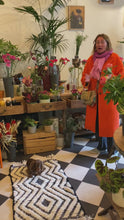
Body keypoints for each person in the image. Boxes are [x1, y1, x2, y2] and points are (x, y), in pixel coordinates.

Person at [81, 33, 124, 157]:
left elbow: (121, 74)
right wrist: (88, 79)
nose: (99, 44)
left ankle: (112, 148)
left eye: (102, 42)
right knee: (97, 122)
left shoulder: (114, 57)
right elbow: (85, 75)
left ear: (107, 44)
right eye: (97, 42)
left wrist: (109, 78)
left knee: (110, 124)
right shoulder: (91, 59)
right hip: (95, 97)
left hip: (109, 98)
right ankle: (101, 146)